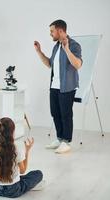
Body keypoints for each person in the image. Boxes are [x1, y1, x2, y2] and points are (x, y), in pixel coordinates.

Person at [34, 19, 82, 153]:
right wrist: (39, 51)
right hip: (54, 86)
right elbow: (49, 64)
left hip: (67, 87)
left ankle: (66, 141)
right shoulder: (56, 46)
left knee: (66, 114)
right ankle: (60, 138)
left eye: (52, 31)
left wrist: (67, 49)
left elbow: (78, 64)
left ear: (60, 31)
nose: (50, 34)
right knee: (55, 113)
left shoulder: (74, 45)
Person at [0, 117, 44, 198]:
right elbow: (22, 171)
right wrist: (27, 151)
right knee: (38, 173)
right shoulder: (16, 149)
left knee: (20, 177)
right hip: (13, 190)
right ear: (12, 131)